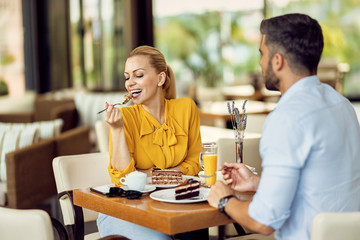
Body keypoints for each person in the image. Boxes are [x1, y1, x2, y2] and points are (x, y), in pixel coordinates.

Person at [207, 13, 360, 240]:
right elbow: (322, 186)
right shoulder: (341, 104)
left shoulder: (287, 117)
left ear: (277, 61)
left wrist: (224, 200)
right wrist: (259, 183)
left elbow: (264, 221)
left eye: (262, 54)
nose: (260, 63)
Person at [97, 45, 202, 240]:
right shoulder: (124, 117)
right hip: (125, 213)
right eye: (127, 77)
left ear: (161, 78)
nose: (130, 83)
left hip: (169, 205)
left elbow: (195, 164)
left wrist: (149, 175)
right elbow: (124, 181)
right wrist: (117, 128)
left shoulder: (186, 108)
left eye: (138, 75)